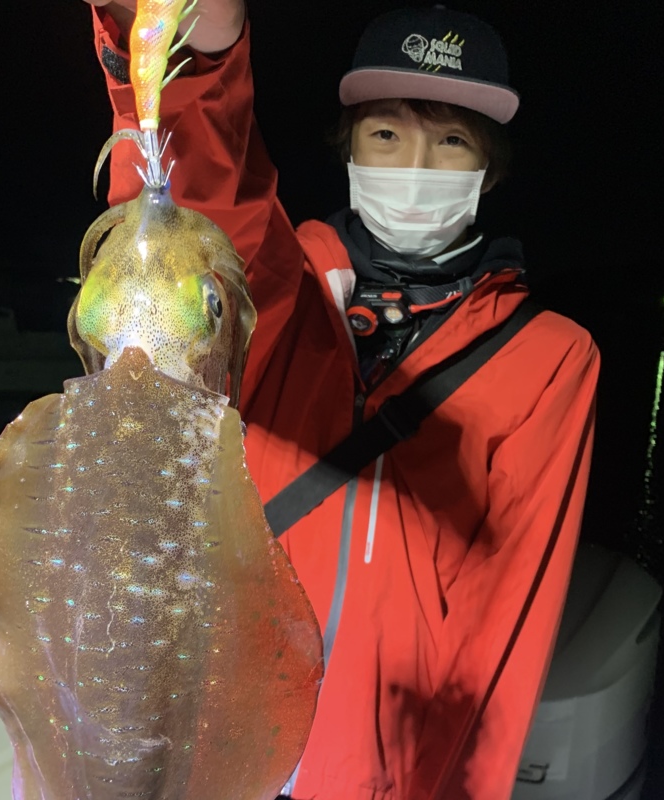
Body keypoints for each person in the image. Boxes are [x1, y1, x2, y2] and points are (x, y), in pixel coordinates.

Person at [84, 1, 600, 797]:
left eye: (452, 141)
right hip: (211, 733)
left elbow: (506, 619)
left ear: (489, 169)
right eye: (386, 133)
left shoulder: (550, 357)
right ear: (349, 146)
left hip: (371, 773)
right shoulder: (276, 293)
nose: (416, 165)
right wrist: (201, 49)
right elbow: (192, 205)